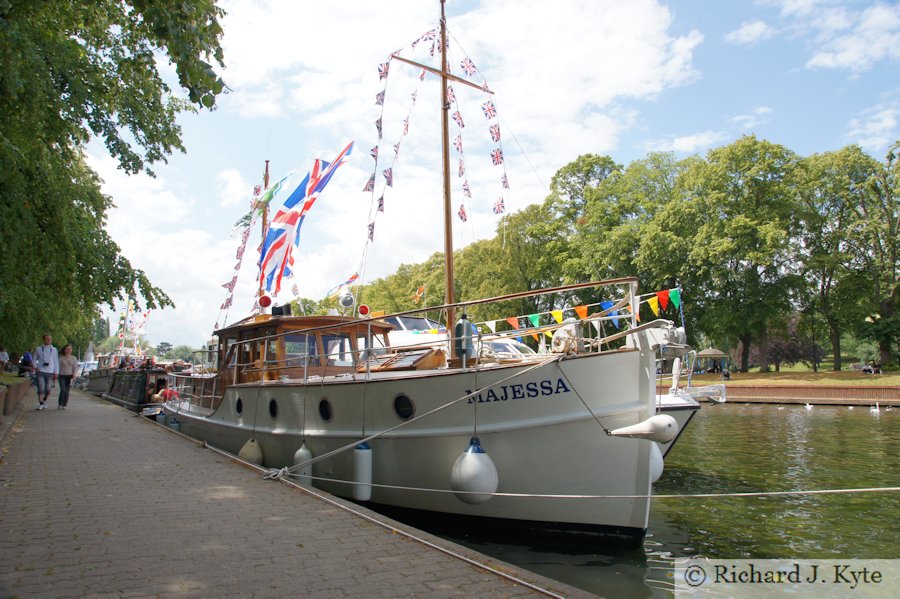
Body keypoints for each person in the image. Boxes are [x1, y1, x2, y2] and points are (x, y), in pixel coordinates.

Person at [34, 334, 59, 410]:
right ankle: (41, 403)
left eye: (50, 339)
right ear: (43, 340)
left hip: (50, 371)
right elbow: (34, 358)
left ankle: (44, 400)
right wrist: (35, 367)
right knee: (41, 388)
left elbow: (55, 361)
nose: (48, 340)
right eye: (47, 339)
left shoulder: (54, 349)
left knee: (48, 389)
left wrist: (56, 372)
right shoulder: (38, 349)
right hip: (41, 370)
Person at [57, 344, 78, 409]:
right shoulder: (61, 358)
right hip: (62, 376)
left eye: (70, 349)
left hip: (70, 376)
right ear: (64, 350)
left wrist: (74, 376)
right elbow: (58, 368)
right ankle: (60, 403)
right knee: (63, 389)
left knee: (67, 391)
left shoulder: (74, 358)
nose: (69, 350)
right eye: (67, 349)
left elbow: (75, 368)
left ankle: (64, 404)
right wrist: (56, 375)